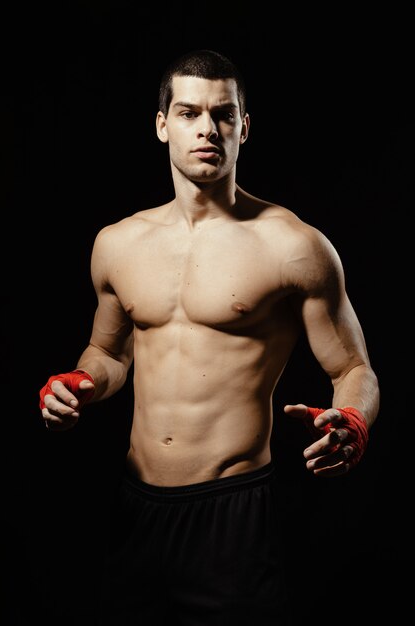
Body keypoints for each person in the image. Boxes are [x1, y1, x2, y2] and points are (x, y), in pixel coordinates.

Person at [39, 49, 380, 625]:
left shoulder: (293, 245)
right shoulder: (118, 244)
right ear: (162, 124)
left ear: (244, 127)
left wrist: (353, 421)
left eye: (223, 114)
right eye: (190, 112)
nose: (207, 128)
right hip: (135, 506)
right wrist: (79, 384)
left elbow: (354, 370)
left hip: (233, 512)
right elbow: (109, 352)